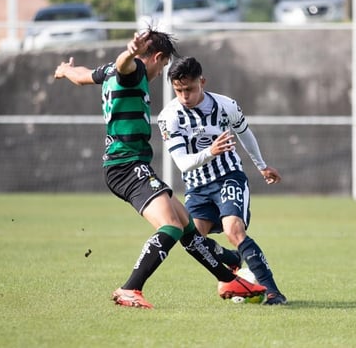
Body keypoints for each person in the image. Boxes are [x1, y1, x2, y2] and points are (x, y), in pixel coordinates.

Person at [54, 29, 267, 309]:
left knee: (187, 227)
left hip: (129, 164)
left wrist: (66, 70)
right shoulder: (135, 69)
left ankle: (228, 277)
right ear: (156, 57)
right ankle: (131, 288)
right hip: (126, 165)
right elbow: (124, 65)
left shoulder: (106, 71)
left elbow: (82, 76)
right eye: (163, 65)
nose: (160, 73)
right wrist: (130, 52)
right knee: (171, 226)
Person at [157, 56, 287, 305]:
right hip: (196, 186)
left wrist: (261, 166)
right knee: (194, 241)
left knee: (233, 230)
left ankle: (273, 292)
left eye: (190, 89)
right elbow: (183, 163)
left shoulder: (226, 105)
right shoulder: (169, 116)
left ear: (202, 82)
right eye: (178, 90)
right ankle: (233, 260)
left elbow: (244, 133)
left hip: (229, 177)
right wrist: (211, 151)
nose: (185, 96)